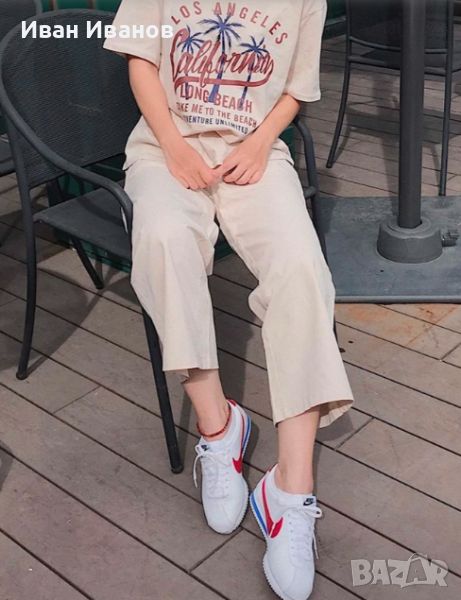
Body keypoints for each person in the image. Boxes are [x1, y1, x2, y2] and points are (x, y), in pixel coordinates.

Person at [104, 1, 354, 598]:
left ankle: (289, 491)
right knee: (164, 241)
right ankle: (220, 428)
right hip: (165, 148)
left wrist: (262, 141)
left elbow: (296, 89)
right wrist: (175, 147)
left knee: (301, 268)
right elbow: (140, 61)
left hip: (255, 152)